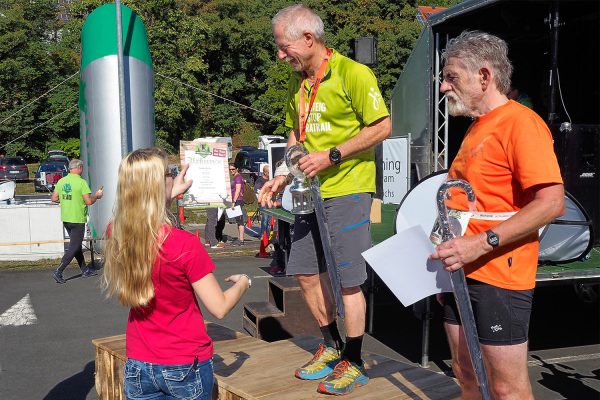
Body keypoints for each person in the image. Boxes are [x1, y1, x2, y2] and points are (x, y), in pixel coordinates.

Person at [259, 4, 391, 395]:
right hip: (307, 192)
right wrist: (284, 174)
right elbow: (296, 139)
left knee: (349, 281)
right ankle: (332, 346)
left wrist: (333, 155)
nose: (281, 56)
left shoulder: (353, 72)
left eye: (284, 47)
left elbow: (383, 126)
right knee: (303, 271)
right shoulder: (298, 84)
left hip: (347, 189)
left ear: (308, 39)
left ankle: (355, 358)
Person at [431, 31, 565, 399]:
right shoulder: (477, 127)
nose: (444, 87)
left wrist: (481, 243)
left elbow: (552, 203)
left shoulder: (522, 123)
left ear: (485, 76)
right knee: (466, 373)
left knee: (507, 388)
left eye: (452, 77)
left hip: (499, 278)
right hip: (459, 272)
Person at [102, 147, 250, 400]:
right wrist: (243, 283)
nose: (174, 175)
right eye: (170, 172)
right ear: (159, 185)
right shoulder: (184, 244)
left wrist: (168, 194)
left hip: (139, 362)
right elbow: (219, 307)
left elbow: (147, 221)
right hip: (184, 363)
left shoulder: (115, 232)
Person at [51, 159, 103, 284]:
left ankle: (84, 270)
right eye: (82, 168)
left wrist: (65, 201)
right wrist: (97, 195)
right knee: (74, 247)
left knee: (76, 245)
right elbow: (89, 201)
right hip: (77, 219)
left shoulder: (61, 181)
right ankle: (58, 271)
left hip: (66, 218)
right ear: (79, 168)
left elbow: (54, 198)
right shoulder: (81, 182)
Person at [254, 165, 272, 249]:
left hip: (270, 202)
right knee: (264, 219)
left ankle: (268, 235)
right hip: (263, 203)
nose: (269, 174)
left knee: (270, 220)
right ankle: (262, 235)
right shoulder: (259, 181)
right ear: (264, 172)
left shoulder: (271, 179)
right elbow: (257, 192)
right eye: (268, 172)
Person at [229, 163, 246, 245]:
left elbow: (238, 190)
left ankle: (241, 240)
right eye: (230, 169)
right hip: (237, 200)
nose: (231, 171)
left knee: (240, 219)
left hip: (238, 200)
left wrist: (234, 201)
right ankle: (240, 238)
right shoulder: (236, 177)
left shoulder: (238, 178)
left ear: (237, 169)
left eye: (233, 169)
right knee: (238, 220)